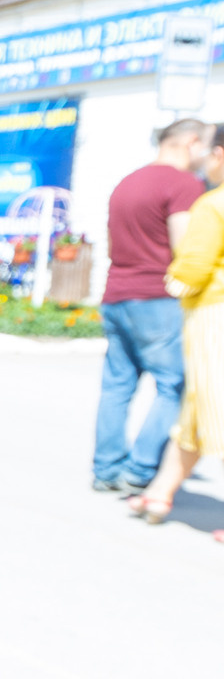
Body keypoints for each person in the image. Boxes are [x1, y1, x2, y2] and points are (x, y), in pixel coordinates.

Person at [95, 118, 208, 492]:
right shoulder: (184, 185)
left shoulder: (126, 182)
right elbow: (185, 247)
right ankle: (141, 471)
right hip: (157, 297)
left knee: (117, 386)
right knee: (173, 385)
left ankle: (106, 469)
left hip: (116, 294)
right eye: (205, 146)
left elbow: (112, 246)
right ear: (191, 142)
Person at [129, 143, 224, 538]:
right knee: (197, 410)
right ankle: (160, 492)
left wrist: (175, 283)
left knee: (213, 402)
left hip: (214, 311)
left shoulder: (213, 203)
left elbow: (196, 261)